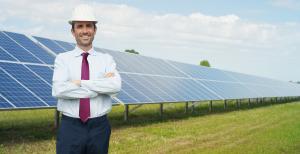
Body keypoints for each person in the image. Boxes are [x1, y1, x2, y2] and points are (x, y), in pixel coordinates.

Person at [52, 4, 121, 154]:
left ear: (95, 30)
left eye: (89, 26)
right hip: (70, 127)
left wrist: (80, 83)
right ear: (73, 31)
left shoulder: (106, 59)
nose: (85, 31)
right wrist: (99, 88)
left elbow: (115, 86)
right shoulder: (63, 59)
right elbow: (59, 90)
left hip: (99, 127)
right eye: (80, 26)